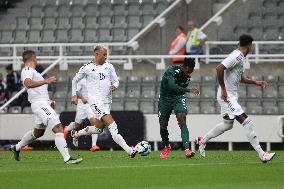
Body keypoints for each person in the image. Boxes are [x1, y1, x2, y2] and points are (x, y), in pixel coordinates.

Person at [195, 34, 276, 163]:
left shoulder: (241, 58)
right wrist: (223, 88)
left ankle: (202, 140)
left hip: (229, 96)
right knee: (247, 122)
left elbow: (241, 78)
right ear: (249, 46)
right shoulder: (237, 56)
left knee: (227, 125)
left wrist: (256, 82)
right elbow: (219, 68)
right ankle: (262, 154)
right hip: (226, 96)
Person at [10, 50, 83, 164]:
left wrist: (49, 102)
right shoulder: (27, 70)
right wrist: (46, 81)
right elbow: (28, 83)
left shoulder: (34, 72)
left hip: (42, 104)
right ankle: (67, 158)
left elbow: (37, 92)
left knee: (38, 133)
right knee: (58, 127)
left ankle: (16, 147)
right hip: (39, 105)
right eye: (36, 57)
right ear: (33, 58)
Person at [71, 45, 138, 158]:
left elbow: (116, 81)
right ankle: (129, 150)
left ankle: (76, 134)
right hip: (95, 101)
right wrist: (74, 95)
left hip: (107, 102)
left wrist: (114, 86)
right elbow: (75, 80)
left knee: (98, 129)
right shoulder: (87, 67)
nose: (106, 57)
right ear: (97, 54)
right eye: (104, 54)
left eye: (107, 54)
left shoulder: (109, 67)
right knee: (112, 124)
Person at [158, 58, 200, 159]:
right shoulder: (170, 72)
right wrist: (189, 90)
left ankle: (187, 149)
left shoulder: (186, 77)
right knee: (163, 126)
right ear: (184, 67)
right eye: (188, 71)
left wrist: (184, 92)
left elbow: (180, 91)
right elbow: (172, 86)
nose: (189, 74)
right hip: (165, 99)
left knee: (182, 119)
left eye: (191, 72)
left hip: (178, 97)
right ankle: (167, 146)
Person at [64, 78, 100, 151]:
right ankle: (68, 130)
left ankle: (94, 145)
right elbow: (76, 91)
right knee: (77, 124)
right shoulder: (82, 80)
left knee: (95, 124)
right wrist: (82, 98)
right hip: (82, 105)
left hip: (91, 104)